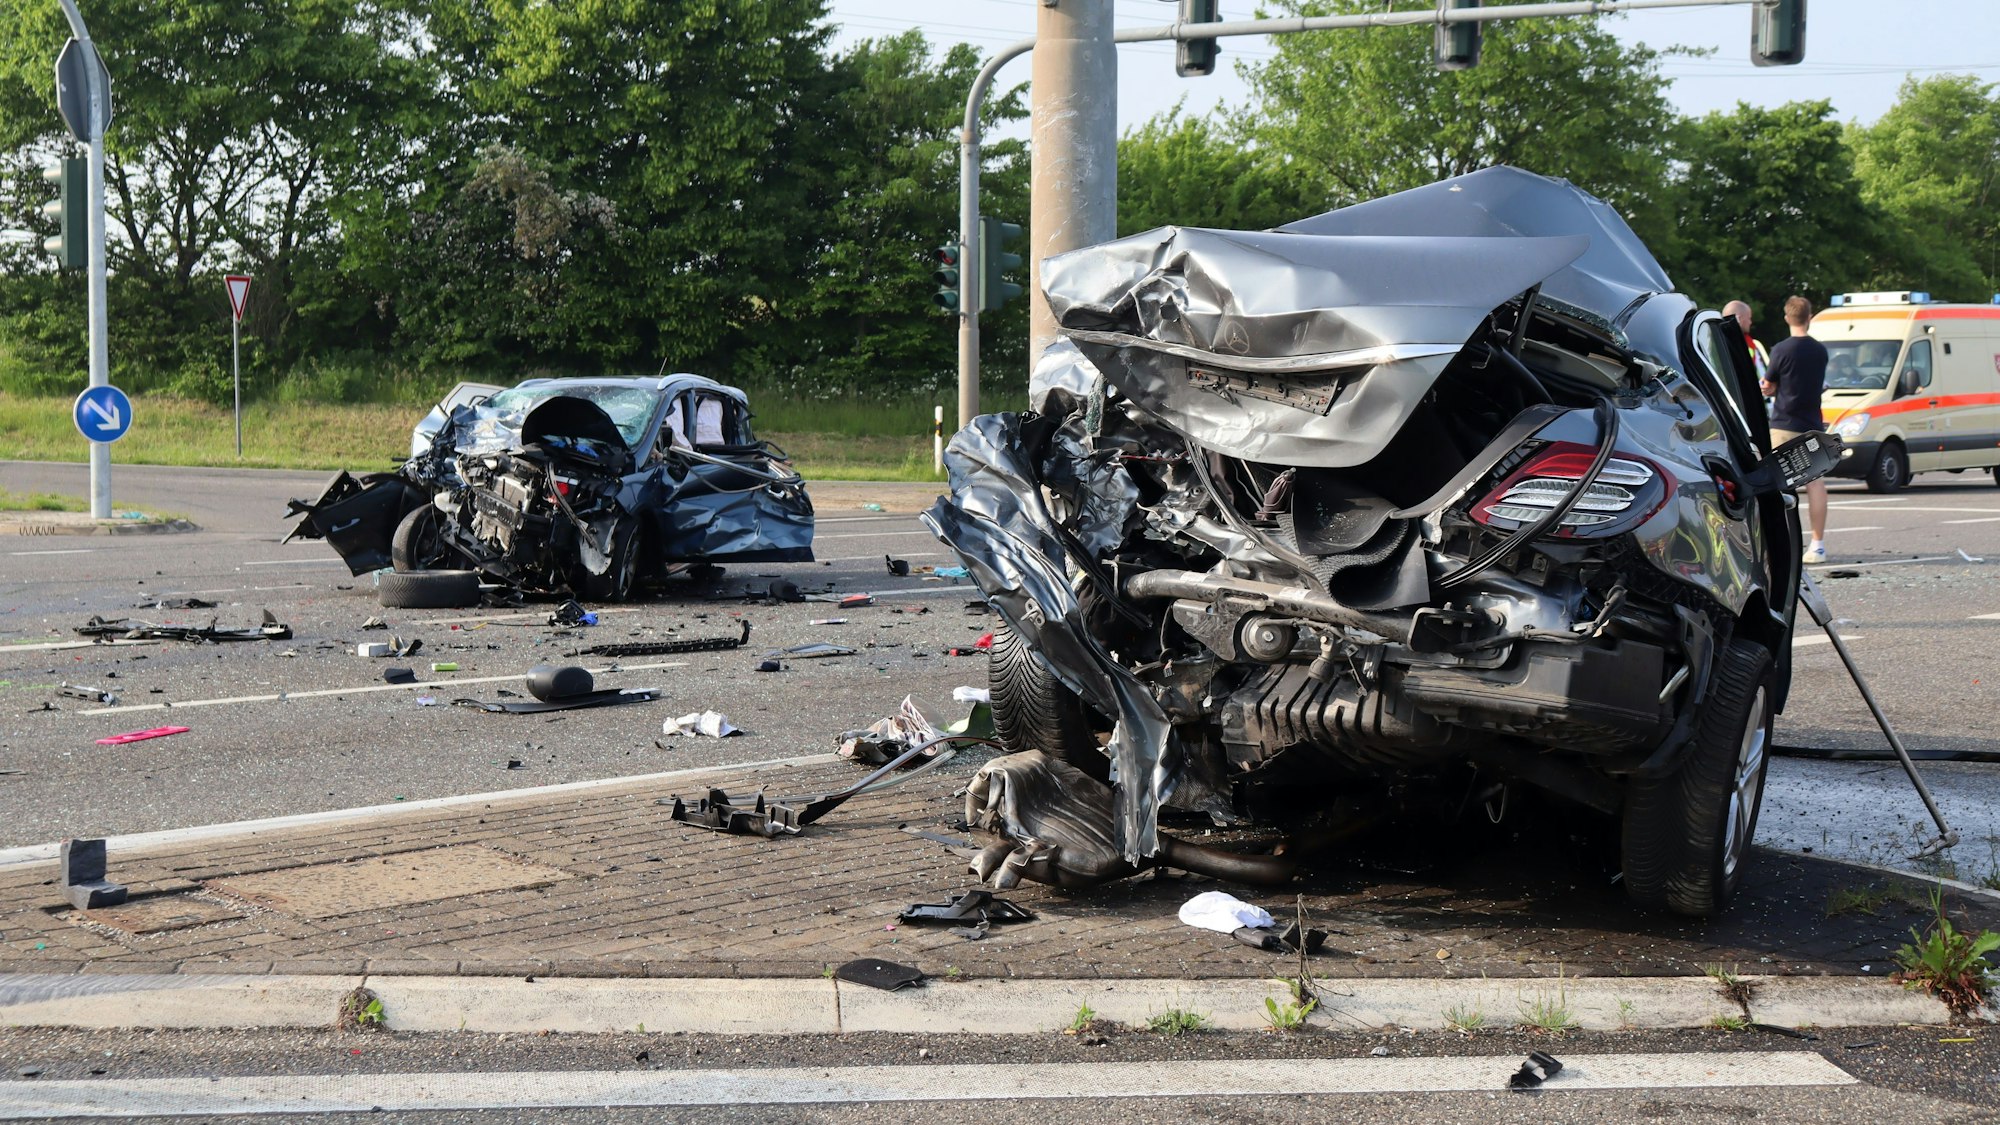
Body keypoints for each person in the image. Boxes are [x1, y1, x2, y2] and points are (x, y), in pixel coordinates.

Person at [1760, 295, 1830, 564]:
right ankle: (1818, 544)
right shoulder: (1820, 351)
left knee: (1778, 486)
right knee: (1816, 483)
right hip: (1811, 424)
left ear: (1787, 318)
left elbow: (1771, 384)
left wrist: (1770, 388)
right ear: (1809, 317)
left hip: (1783, 423)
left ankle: (1780, 546)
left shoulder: (1781, 350)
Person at [1722, 299, 1770, 383]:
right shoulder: (1724, 345)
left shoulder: (1754, 344)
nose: (1750, 322)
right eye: (1749, 318)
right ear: (1739, 319)